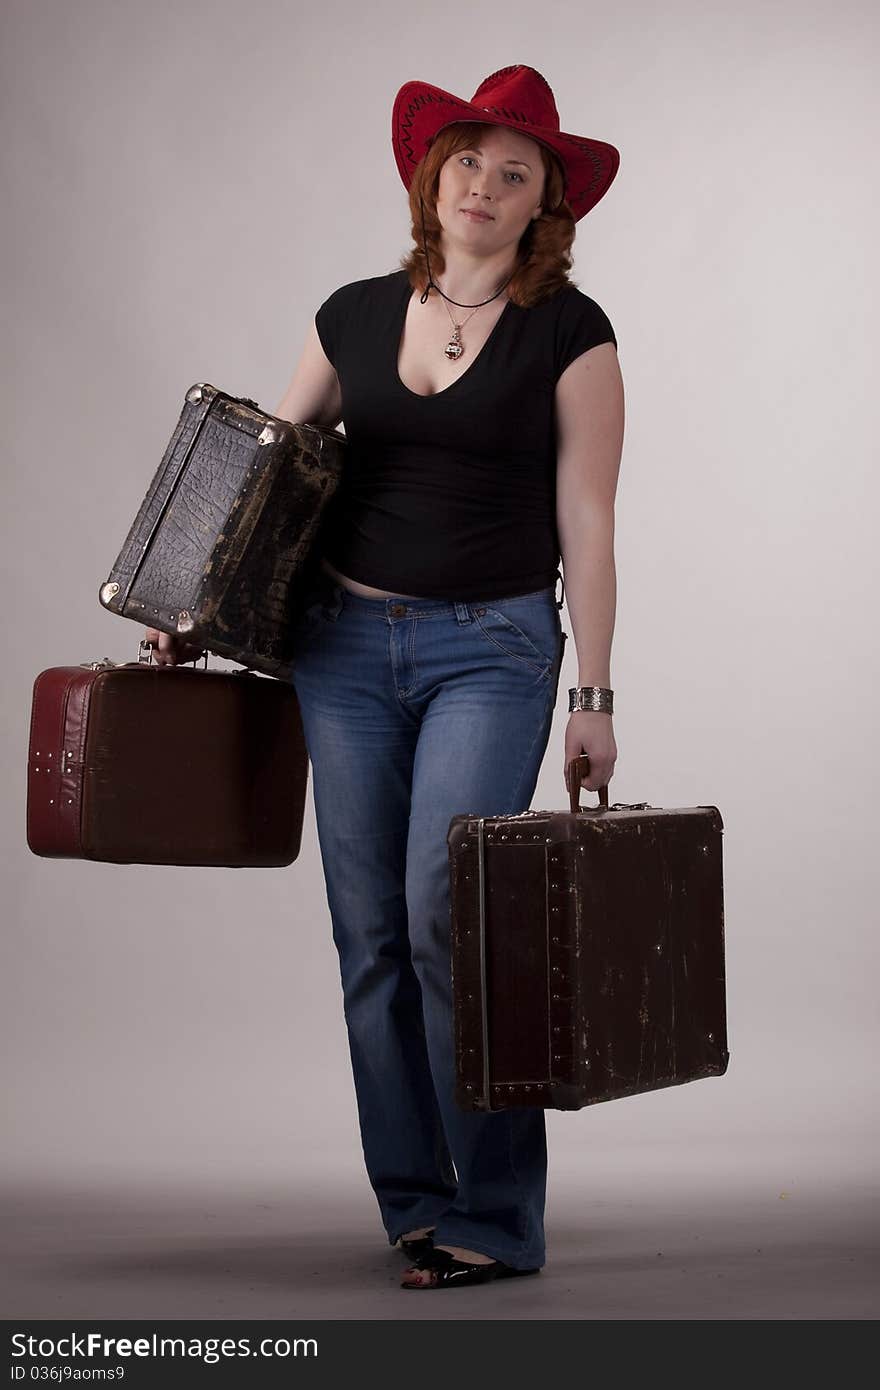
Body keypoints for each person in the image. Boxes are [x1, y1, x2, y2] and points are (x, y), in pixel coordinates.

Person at [145, 63, 624, 1292]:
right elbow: (268, 471)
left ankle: (501, 1214)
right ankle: (416, 1201)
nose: (485, 182)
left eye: (514, 171)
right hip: (342, 652)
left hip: (494, 647)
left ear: (541, 208)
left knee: (443, 915)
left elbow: (588, 518)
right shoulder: (351, 312)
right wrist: (192, 608)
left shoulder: (572, 332)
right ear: (433, 177)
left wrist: (595, 699)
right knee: (367, 935)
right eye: (468, 160)